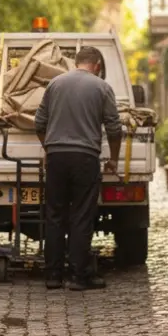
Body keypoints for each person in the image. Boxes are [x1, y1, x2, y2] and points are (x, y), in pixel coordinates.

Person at [34, 46, 122, 291]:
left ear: (77, 62)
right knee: (82, 216)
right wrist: (113, 158)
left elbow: (39, 123)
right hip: (85, 157)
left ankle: (52, 276)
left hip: (57, 158)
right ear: (96, 65)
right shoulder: (102, 88)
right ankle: (78, 277)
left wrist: (48, 148)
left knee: (54, 216)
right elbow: (114, 129)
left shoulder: (55, 84)